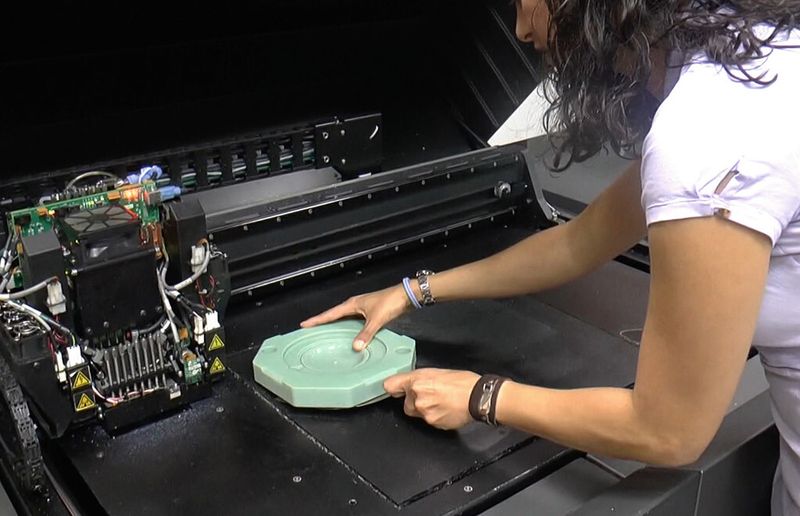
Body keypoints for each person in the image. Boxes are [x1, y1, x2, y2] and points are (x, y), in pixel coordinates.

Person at [302, 1, 800, 513]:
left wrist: (481, 397)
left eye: (525, 4)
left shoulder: (708, 135)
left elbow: (668, 431)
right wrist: (412, 292)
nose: (519, 30)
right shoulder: (755, 57)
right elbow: (577, 242)